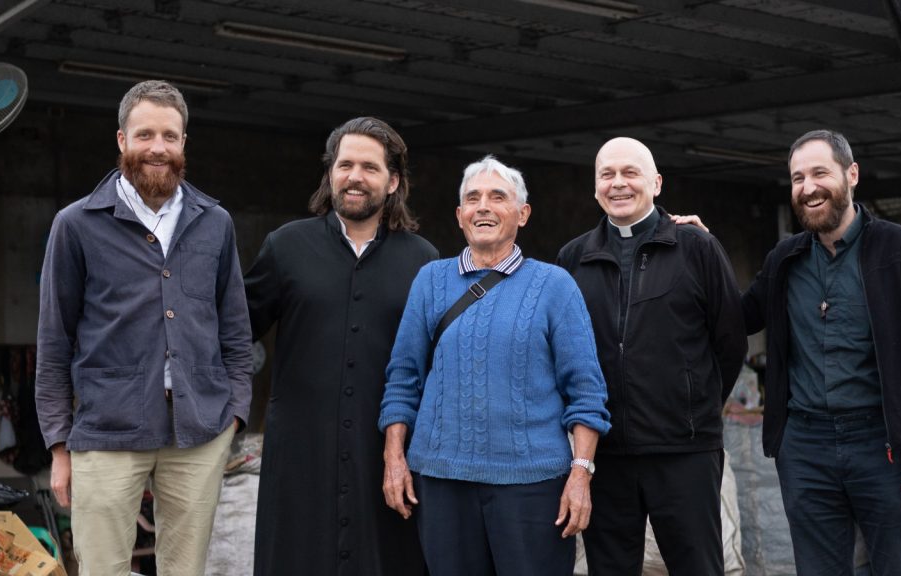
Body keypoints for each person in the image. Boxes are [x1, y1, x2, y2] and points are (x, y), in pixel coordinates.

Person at [35, 80, 252, 576]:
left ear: (183, 144)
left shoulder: (214, 222)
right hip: (106, 433)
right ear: (121, 140)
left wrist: (234, 415)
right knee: (103, 569)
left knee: (185, 570)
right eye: (145, 134)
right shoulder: (77, 224)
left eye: (170, 137)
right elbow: (53, 343)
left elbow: (236, 334)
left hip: (198, 434)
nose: (158, 148)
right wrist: (58, 445)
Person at [379, 155, 611, 576]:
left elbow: (587, 393)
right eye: (473, 198)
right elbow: (403, 378)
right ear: (460, 215)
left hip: (533, 488)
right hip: (442, 481)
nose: (483, 206)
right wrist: (394, 459)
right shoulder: (430, 280)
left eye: (497, 196)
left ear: (522, 214)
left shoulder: (555, 285)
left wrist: (581, 476)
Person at [742, 129, 901, 575]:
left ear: (851, 174)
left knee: (897, 566)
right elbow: (735, 319)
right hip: (805, 446)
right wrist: (694, 247)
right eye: (798, 178)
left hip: (883, 444)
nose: (808, 187)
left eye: (820, 173)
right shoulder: (783, 260)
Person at [244, 117, 437, 576]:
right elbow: (232, 334)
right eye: (345, 164)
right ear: (330, 174)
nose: (354, 176)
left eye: (369, 167)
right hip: (300, 454)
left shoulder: (424, 261)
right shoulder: (286, 246)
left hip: (387, 454)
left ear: (392, 182)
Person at [556, 137, 747, 576]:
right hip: (606, 455)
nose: (618, 184)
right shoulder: (573, 258)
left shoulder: (697, 248)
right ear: (595, 187)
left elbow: (730, 340)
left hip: (685, 452)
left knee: (697, 566)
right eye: (607, 175)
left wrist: (693, 403)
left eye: (630, 173)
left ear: (656, 183)